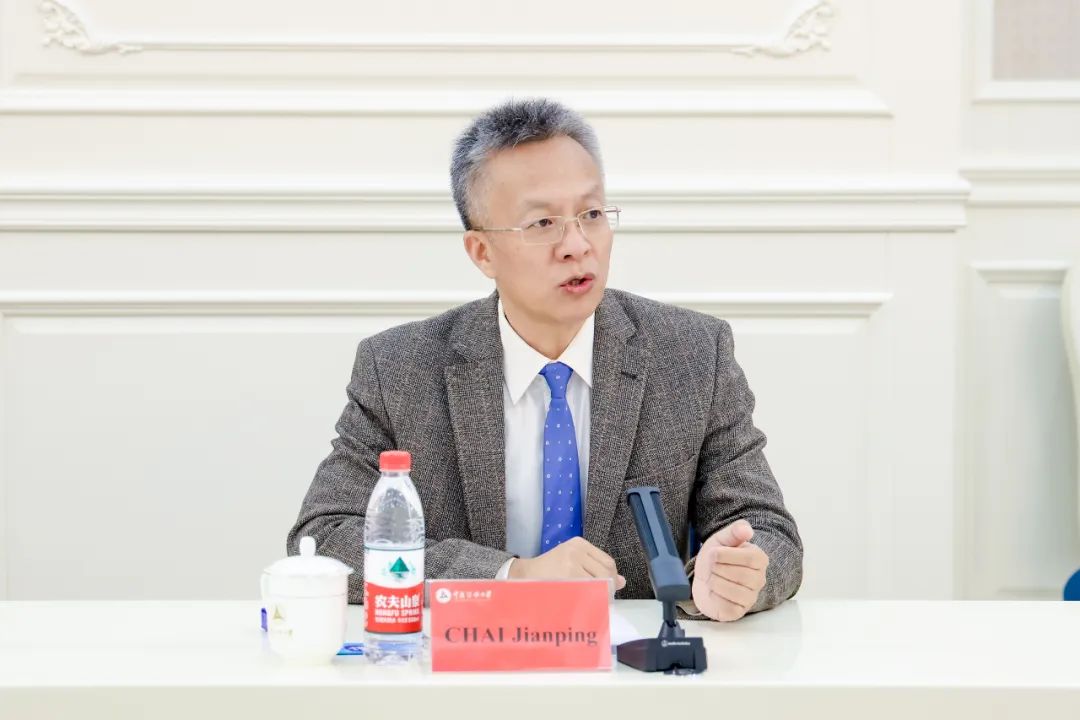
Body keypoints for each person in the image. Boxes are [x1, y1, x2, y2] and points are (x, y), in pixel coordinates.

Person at [288, 98, 802, 621]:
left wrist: (734, 576)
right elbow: (326, 536)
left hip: (634, 663)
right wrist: (510, 577)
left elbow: (769, 531)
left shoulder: (692, 354)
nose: (577, 245)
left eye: (592, 215)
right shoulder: (400, 368)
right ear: (482, 252)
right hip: (470, 658)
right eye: (541, 223)